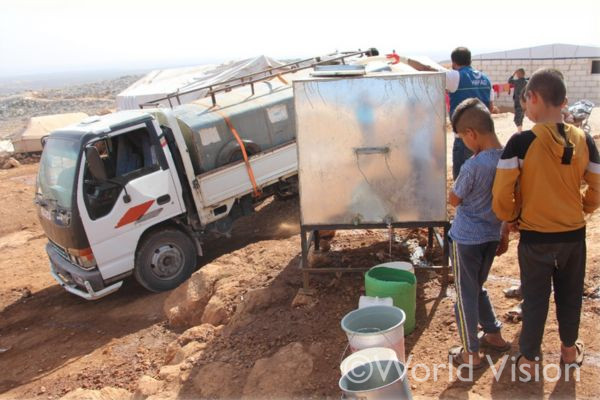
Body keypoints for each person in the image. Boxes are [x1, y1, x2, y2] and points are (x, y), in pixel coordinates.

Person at [492, 68, 600, 379]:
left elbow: (501, 192)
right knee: (570, 294)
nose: (524, 108)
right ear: (564, 101)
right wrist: (584, 207)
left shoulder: (520, 142)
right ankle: (568, 350)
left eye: (525, 102)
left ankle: (528, 359)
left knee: (535, 296)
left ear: (533, 98)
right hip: (573, 235)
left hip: (535, 238)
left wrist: (511, 217)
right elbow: (596, 186)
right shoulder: (585, 140)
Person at [447, 98, 510, 369]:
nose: (464, 143)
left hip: (466, 240)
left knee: (465, 295)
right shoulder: (508, 158)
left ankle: (470, 353)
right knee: (478, 286)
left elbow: (455, 199)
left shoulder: (472, 166)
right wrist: (505, 232)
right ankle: (493, 333)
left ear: (471, 134)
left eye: (463, 138)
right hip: (492, 236)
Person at [445, 47, 495, 180]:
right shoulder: (486, 79)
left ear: (454, 63)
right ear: (470, 60)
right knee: (481, 177)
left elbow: (433, 75)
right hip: (484, 137)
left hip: (465, 138)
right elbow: (490, 107)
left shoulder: (455, 75)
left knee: (463, 179)